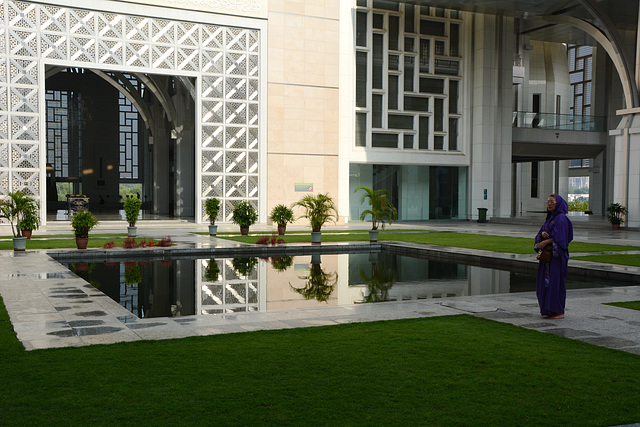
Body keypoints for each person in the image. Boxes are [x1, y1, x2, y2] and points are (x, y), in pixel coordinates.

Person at [534, 194, 573, 319]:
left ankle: (558, 311)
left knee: (555, 283)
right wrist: (542, 237)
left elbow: (562, 239)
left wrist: (546, 241)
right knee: (545, 284)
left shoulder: (561, 219)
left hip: (556, 259)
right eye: (548, 201)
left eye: (552, 201)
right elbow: (541, 233)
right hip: (547, 259)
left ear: (559, 204)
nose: (549, 204)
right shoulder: (551, 218)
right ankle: (549, 309)